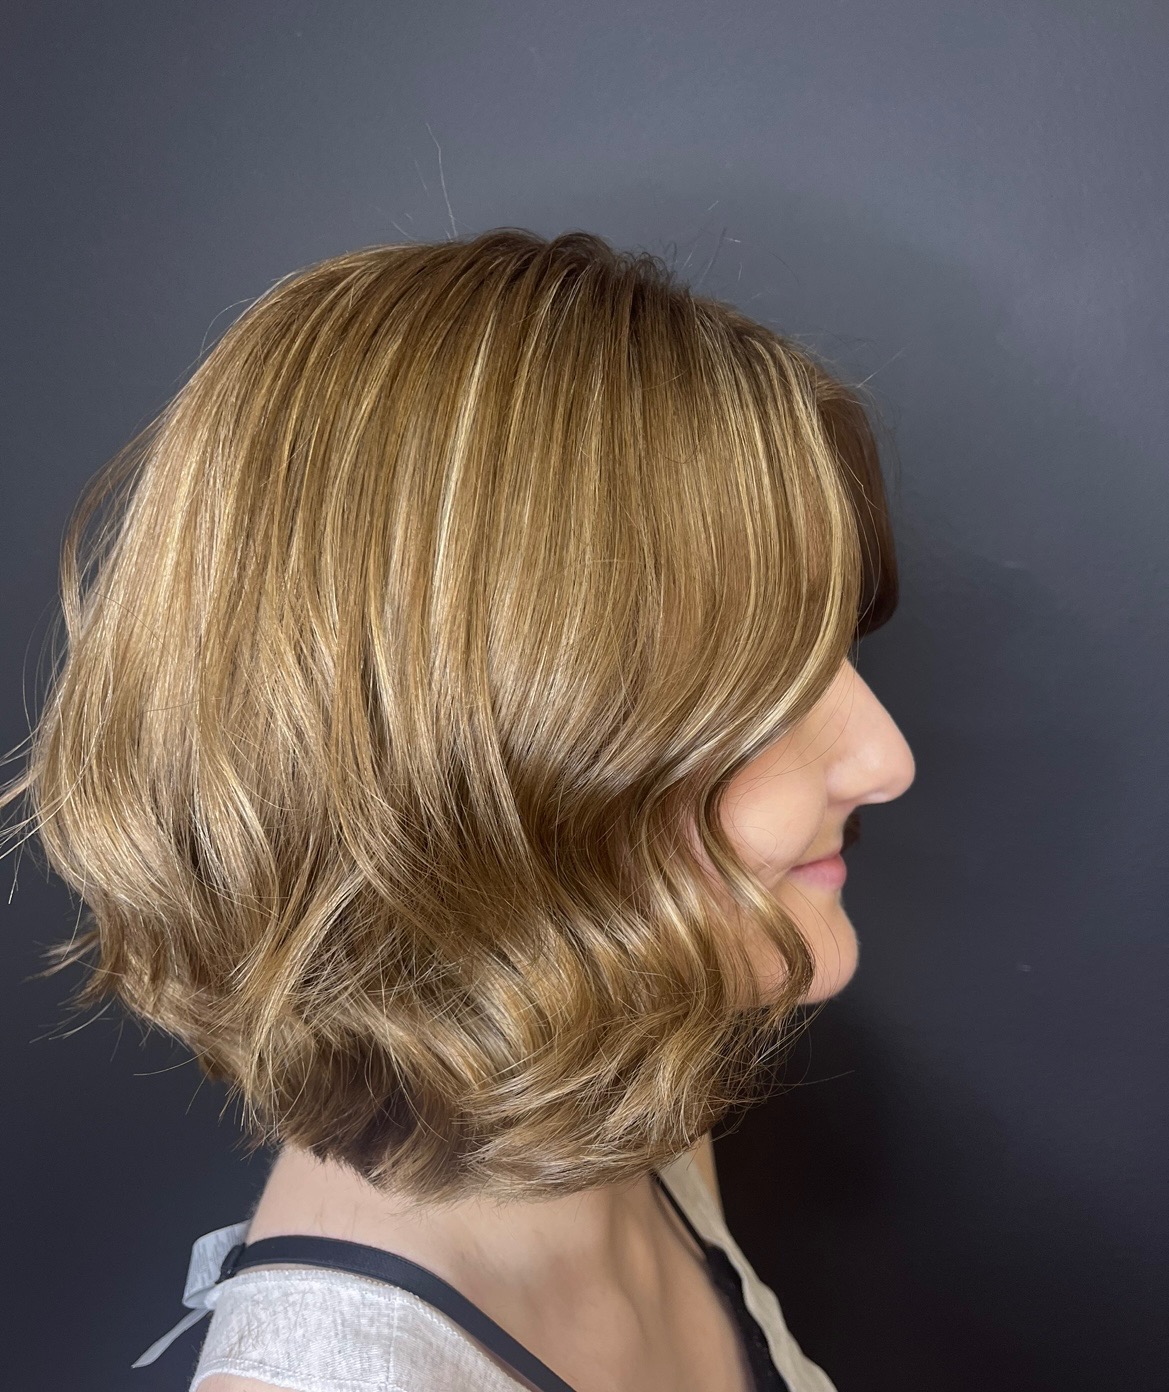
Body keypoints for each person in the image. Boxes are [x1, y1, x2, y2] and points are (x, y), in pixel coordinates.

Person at [2, 228, 915, 1391]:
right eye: (764, 688)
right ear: (452, 765)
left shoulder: (634, 1096)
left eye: (835, 649)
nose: (884, 760)